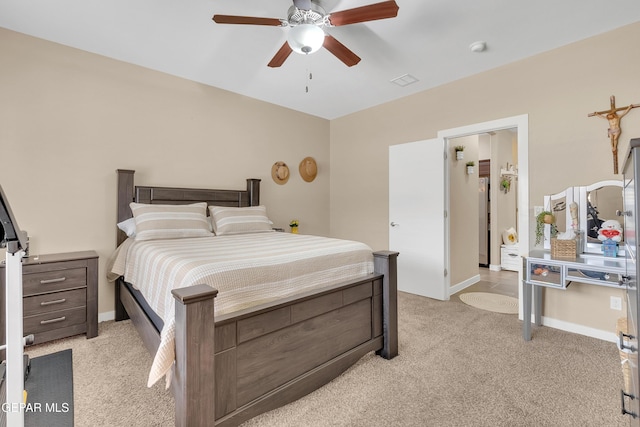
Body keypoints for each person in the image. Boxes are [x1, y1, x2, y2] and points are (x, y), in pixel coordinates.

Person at [589, 96, 639, 173]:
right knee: (611, 139)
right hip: (611, 130)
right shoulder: (608, 119)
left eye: (610, 116)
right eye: (608, 117)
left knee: (615, 139)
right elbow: (602, 117)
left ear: (612, 115)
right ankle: (613, 148)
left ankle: (614, 147)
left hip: (616, 130)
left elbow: (624, 112)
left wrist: (629, 107)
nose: (609, 118)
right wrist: (597, 114)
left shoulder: (617, 117)